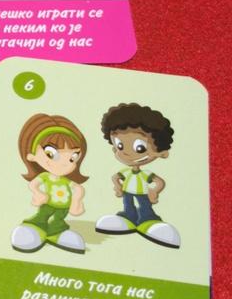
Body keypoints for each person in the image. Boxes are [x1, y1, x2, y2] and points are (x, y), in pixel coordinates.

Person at [94, 104, 180, 248]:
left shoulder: (145, 174)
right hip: (127, 193)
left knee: (144, 206)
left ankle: (148, 221)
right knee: (128, 205)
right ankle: (128, 218)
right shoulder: (126, 172)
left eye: (139, 148)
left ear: (160, 152)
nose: (126, 153)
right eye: (120, 146)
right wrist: (118, 187)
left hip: (142, 193)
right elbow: (115, 177)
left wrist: (154, 191)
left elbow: (159, 182)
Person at [11, 114, 89, 254]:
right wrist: (38, 193)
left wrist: (76, 202)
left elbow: (78, 188)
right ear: (31, 156)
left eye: (73, 157)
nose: (65, 164)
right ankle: (35, 228)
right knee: (42, 216)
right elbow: (33, 185)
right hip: (48, 204)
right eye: (51, 154)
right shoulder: (45, 177)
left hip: (63, 208)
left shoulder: (66, 181)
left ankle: (56, 232)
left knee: (58, 220)